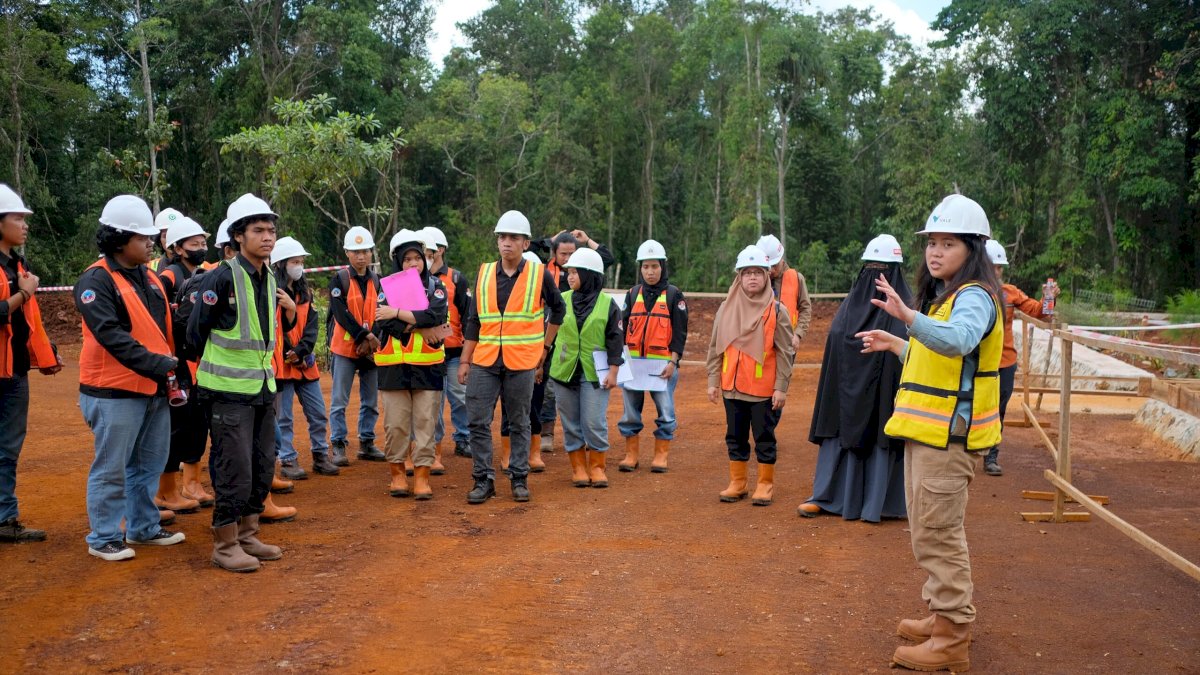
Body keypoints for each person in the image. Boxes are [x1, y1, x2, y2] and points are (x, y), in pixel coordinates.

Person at [856, 194, 1003, 672]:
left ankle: (952, 637)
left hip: (949, 440)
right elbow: (940, 361)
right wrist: (898, 342)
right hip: (927, 434)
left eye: (948, 243)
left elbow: (959, 341)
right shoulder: (945, 298)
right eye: (931, 243)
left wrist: (906, 317)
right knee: (926, 532)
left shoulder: (975, 296)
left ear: (973, 248)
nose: (935, 252)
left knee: (939, 534)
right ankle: (942, 616)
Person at [76, 195, 186, 561]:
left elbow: (162, 329)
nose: (151, 243)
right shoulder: (95, 280)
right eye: (143, 238)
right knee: (112, 468)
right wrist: (159, 365)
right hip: (113, 392)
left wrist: (173, 367)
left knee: (149, 464)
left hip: (153, 388)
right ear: (120, 239)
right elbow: (111, 336)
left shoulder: (150, 276)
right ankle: (104, 536)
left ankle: (142, 527)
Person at [189, 193, 293, 573]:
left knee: (262, 464)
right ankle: (225, 543)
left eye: (271, 230)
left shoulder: (269, 277)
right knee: (234, 467)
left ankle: (249, 535)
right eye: (258, 230)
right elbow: (194, 333)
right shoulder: (220, 276)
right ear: (238, 236)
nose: (268, 237)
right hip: (226, 392)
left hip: (263, 390)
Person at [797, 234, 910, 522]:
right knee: (841, 430)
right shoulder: (848, 309)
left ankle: (881, 502)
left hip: (885, 399)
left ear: (895, 273)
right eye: (870, 268)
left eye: (883, 270)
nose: (875, 275)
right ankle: (828, 496)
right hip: (846, 400)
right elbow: (837, 339)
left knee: (882, 432)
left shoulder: (908, 310)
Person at [458, 210, 565, 504]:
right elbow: (474, 320)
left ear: (526, 243)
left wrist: (544, 347)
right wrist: (465, 360)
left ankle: (519, 478)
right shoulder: (483, 274)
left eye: (514, 238)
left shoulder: (538, 274)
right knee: (478, 420)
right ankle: (483, 480)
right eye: (502, 237)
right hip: (485, 360)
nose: (507, 243)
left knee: (519, 421)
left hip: (522, 361)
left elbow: (559, 310)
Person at [707, 245, 795, 507]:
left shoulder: (777, 311)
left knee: (764, 437)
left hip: (762, 390)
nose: (752, 277)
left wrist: (781, 388)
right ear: (739, 277)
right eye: (747, 273)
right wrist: (713, 381)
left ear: (767, 276)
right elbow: (715, 347)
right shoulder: (725, 308)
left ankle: (765, 484)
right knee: (734, 435)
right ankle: (738, 483)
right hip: (731, 387)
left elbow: (784, 352)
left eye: (758, 272)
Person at [0, 183, 60, 543]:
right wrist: (24, 293)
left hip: (14, 370)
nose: (24, 224)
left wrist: (45, 352)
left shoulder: (18, 265)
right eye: (18, 217)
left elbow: (27, 321)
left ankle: (5, 519)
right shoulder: (22, 277)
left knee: (7, 449)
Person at [374, 230, 449, 499]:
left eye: (418, 258)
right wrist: (418, 324)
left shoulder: (436, 287)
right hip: (393, 367)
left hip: (427, 367)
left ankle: (422, 478)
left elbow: (435, 315)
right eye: (407, 259)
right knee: (395, 425)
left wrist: (396, 312)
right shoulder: (386, 287)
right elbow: (383, 322)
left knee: (426, 423)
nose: (414, 263)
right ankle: (397, 475)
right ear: (398, 262)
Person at [529, 229, 616, 452]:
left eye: (572, 256)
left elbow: (606, 259)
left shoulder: (604, 301)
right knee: (551, 395)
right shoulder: (547, 274)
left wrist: (587, 240)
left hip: (589, 359)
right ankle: (550, 435)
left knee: (590, 415)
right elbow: (525, 247)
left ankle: (594, 456)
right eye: (563, 254)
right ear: (554, 253)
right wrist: (549, 240)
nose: (568, 263)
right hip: (557, 348)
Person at [550, 248, 624, 488]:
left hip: (595, 373)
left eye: (575, 272)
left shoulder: (608, 304)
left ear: (590, 274)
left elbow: (615, 339)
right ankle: (578, 467)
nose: (569, 277)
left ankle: (597, 467)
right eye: (568, 272)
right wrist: (541, 364)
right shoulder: (561, 300)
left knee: (593, 421)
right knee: (570, 421)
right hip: (564, 371)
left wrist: (614, 371)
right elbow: (549, 334)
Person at [153, 215, 210, 515]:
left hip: (195, 362)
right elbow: (161, 319)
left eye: (203, 242)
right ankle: (166, 491)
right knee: (175, 427)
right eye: (194, 243)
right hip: (176, 363)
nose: (201, 247)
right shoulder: (169, 276)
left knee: (196, 424)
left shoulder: (202, 274)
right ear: (177, 247)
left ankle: (192, 484)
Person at [271, 237, 339, 480]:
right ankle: (287, 460)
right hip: (282, 366)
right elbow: (275, 328)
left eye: (301, 261)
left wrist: (301, 352)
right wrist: (290, 352)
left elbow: (311, 327)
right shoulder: (272, 292)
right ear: (280, 264)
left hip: (304, 364)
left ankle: (320, 455)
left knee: (318, 412)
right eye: (294, 261)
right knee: (284, 416)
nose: (299, 266)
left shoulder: (305, 293)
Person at [618, 239, 687, 473]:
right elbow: (622, 327)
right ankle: (631, 455)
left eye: (654, 266)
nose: (650, 272)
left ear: (663, 267)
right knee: (629, 413)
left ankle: (661, 456)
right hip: (634, 366)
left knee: (666, 412)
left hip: (662, 368)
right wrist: (620, 361)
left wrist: (673, 361)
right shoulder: (632, 293)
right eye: (645, 267)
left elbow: (680, 332)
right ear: (640, 268)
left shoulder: (674, 295)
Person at [984, 238, 1046, 476]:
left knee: (999, 409)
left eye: (1000, 268)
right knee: (972, 406)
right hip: (979, 362)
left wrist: (1049, 298)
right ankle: (968, 452)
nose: (997, 272)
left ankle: (991, 456)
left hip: (1005, 362)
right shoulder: (969, 292)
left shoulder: (1010, 293)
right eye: (993, 267)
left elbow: (1040, 312)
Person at [326, 225, 384, 465]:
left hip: (369, 350)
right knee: (340, 399)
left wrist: (372, 340)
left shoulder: (378, 281)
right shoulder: (339, 279)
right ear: (347, 253)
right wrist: (363, 336)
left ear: (371, 253)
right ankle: (338, 443)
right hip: (346, 349)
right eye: (356, 251)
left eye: (365, 251)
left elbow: (382, 312)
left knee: (370, 400)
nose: (361, 256)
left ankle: (367, 442)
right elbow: (341, 313)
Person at [495, 250, 553, 474]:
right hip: (508, 360)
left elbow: (551, 332)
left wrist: (540, 365)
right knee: (509, 408)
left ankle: (534, 452)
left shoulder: (546, 301)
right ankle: (508, 453)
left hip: (537, 361)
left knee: (535, 405)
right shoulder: (507, 296)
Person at [421, 226, 472, 462]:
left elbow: (468, 313)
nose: (426, 255)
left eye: (430, 250)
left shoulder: (456, 278)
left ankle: (463, 439)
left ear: (441, 250)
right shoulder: (414, 279)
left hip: (453, 350)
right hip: (427, 351)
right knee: (433, 402)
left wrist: (467, 353)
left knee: (460, 397)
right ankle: (434, 445)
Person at [756, 234, 812, 351]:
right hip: (759, 342)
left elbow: (805, 308)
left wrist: (798, 334)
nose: (771, 270)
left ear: (781, 258)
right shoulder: (753, 281)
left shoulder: (797, 278)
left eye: (774, 265)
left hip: (787, 343)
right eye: (768, 266)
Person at [149, 207, 184, 273]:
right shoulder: (148, 268)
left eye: (175, 235)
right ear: (159, 240)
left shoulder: (204, 267)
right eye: (166, 236)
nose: (171, 240)